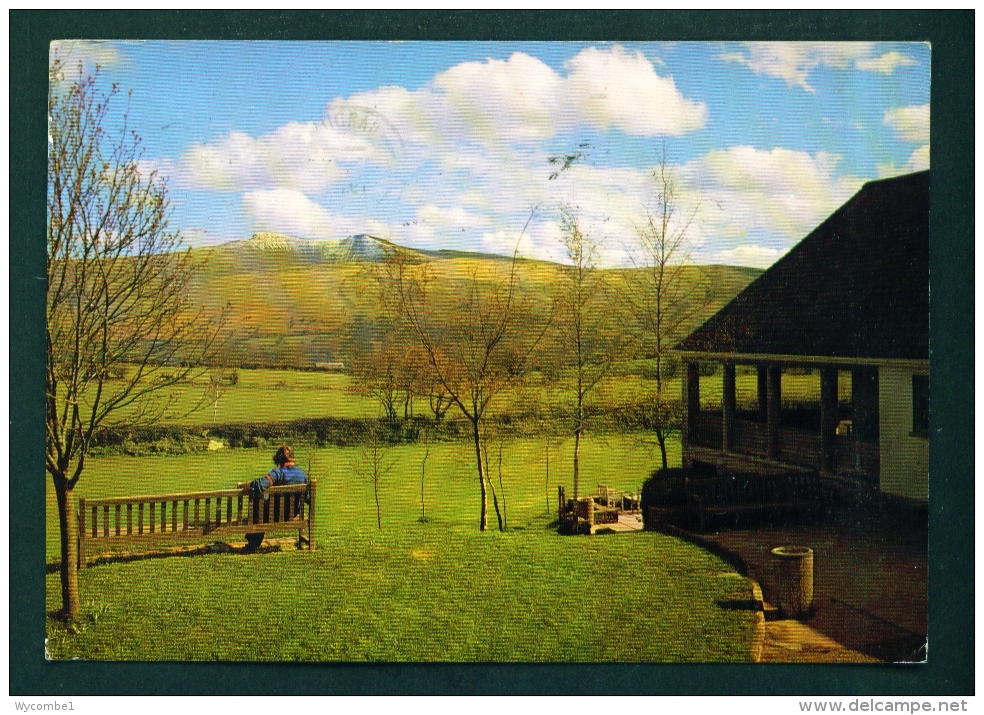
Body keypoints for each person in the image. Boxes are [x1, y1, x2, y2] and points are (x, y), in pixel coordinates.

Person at [238, 445, 309, 549]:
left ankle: (253, 543)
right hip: (291, 513)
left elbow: (260, 485)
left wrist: (244, 485)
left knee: (258, 506)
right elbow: (308, 498)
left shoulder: (277, 473)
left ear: (279, 459)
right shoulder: (303, 475)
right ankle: (252, 541)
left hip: (274, 514)